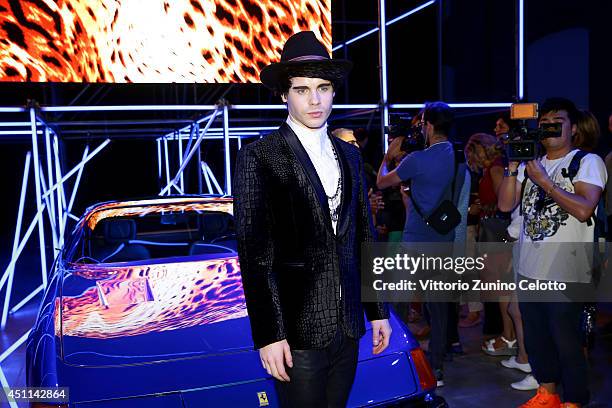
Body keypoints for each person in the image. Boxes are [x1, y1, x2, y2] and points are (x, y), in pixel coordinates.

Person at [233, 31, 390, 408]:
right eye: (302, 90)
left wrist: (379, 312)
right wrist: (269, 335)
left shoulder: (350, 157)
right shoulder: (259, 156)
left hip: (349, 324)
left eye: (323, 87)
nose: (315, 99)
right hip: (296, 333)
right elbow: (255, 255)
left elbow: (365, 238)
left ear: (334, 91)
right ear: (284, 95)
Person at [498, 97, 607, 408]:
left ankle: (574, 400)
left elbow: (585, 209)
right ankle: (547, 394)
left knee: (568, 343)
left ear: (573, 128)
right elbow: (506, 205)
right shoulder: (532, 164)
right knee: (537, 340)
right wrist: (513, 167)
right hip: (530, 269)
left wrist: (546, 183)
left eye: (558, 120)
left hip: (567, 272)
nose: (550, 126)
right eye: (544, 121)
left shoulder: (586, 162)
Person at [376, 101, 464, 386]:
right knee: (438, 310)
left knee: (398, 303)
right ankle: (436, 368)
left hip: (414, 241)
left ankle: (398, 361)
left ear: (427, 125)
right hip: (443, 240)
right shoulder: (457, 155)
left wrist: (389, 155)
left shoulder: (416, 160)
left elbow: (381, 182)